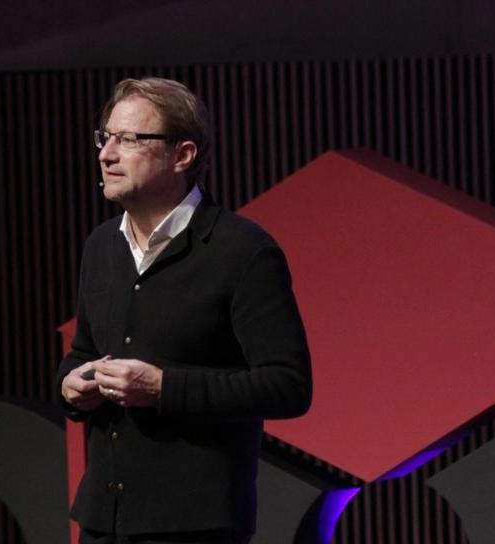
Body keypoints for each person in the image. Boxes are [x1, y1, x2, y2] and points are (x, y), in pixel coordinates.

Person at [56, 77, 312, 544]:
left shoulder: (241, 250)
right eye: (105, 137)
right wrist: (71, 383)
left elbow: (288, 387)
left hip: (192, 526)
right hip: (103, 522)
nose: (106, 154)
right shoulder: (101, 247)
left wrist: (163, 388)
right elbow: (84, 352)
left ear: (183, 155)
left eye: (129, 140)